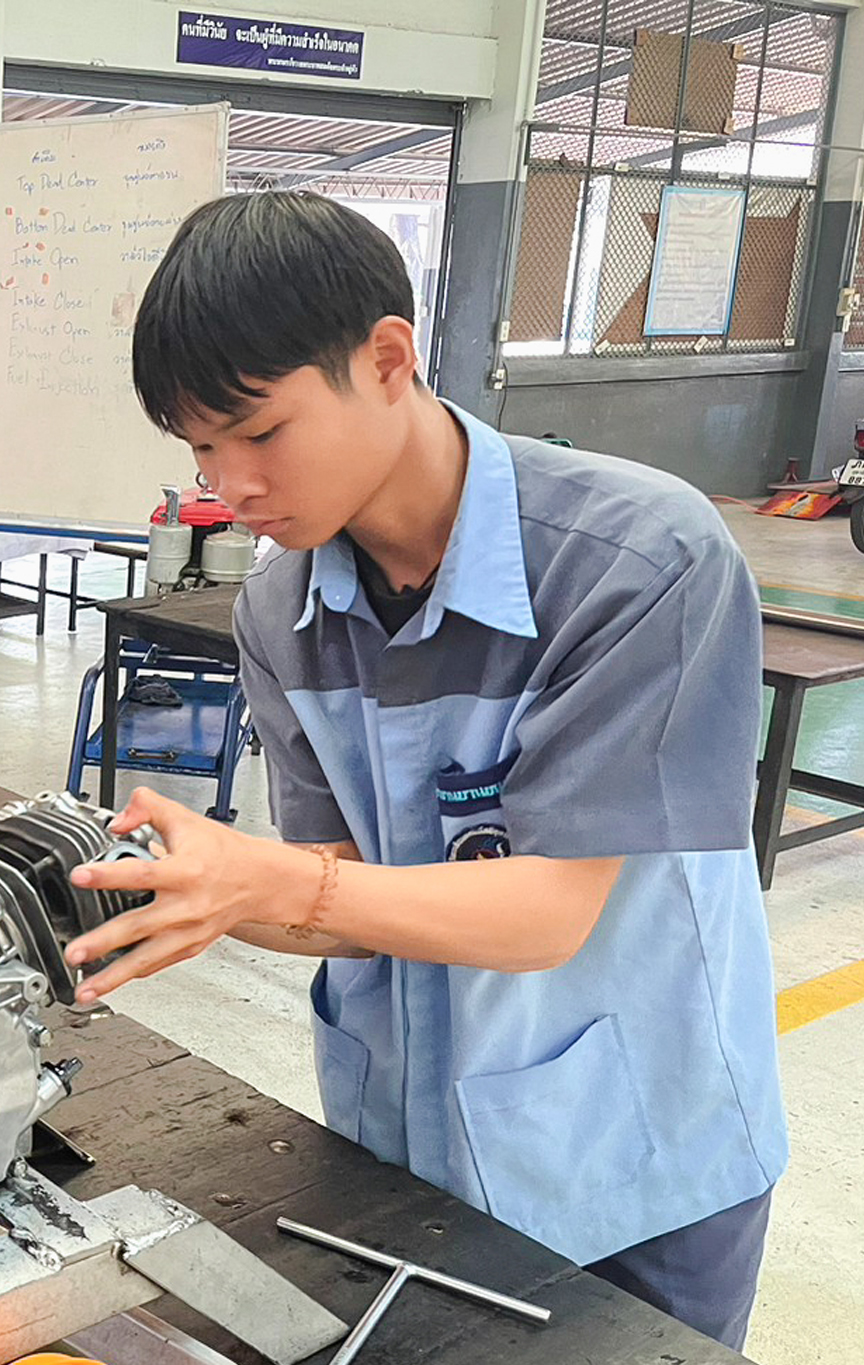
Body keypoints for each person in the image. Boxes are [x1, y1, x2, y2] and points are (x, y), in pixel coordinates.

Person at [66, 191, 786, 1350]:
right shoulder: (279, 609)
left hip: (636, 1161)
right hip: (409, 1153)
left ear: (387, 358)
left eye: (257, 431)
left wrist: (277, 887)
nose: (228, 483)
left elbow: (547, 911)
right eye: (198, 446)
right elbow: (341, 893)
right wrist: (192, 896)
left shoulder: (639, 562)